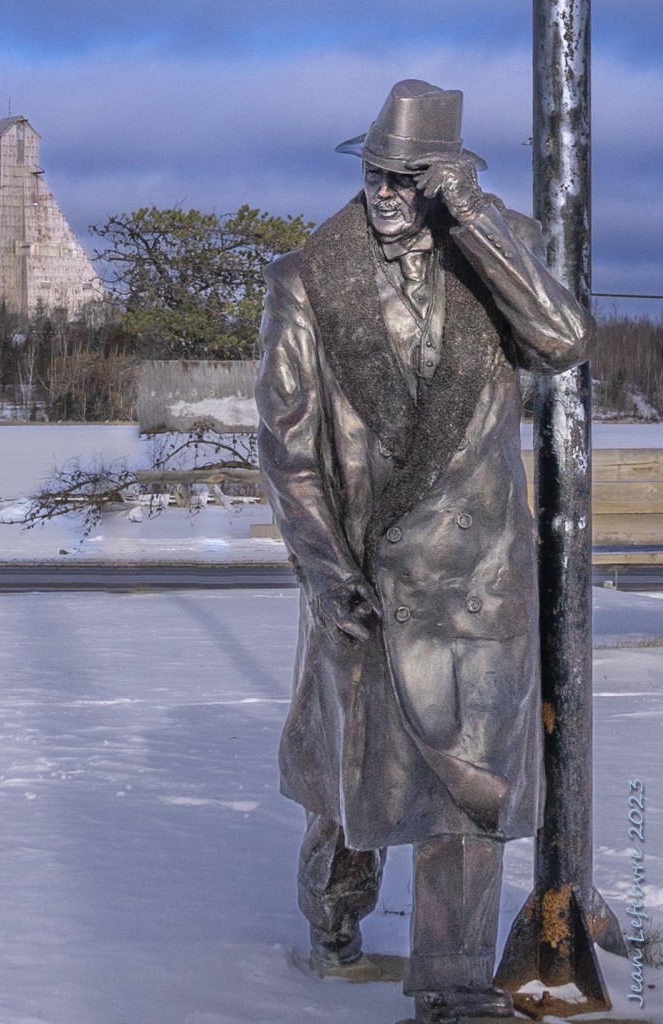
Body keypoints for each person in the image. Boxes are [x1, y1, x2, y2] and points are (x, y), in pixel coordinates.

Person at [255, 79, 595, 1022]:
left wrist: (476, 223)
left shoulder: (497, 249)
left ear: (447, 177)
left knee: (473, 791)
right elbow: (287, 448)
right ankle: (333, 919)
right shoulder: (306, 278)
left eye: (407, 177)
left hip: (477, 576)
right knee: (351, 784)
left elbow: (563, 342)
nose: (384, 191)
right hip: (363, 571)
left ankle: (452, 985)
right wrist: (326, 571)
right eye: (375, 171)